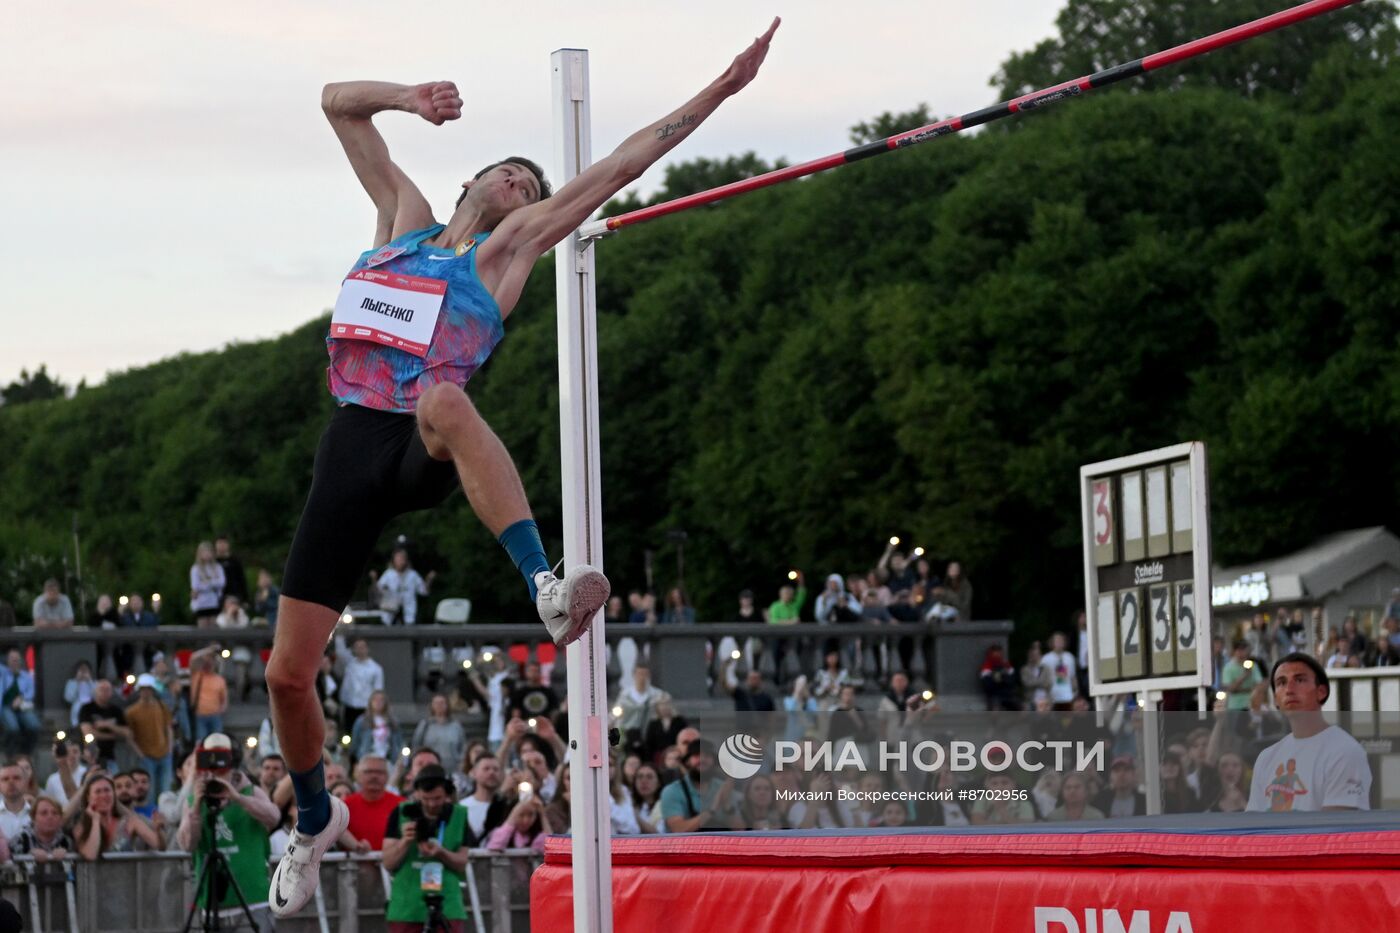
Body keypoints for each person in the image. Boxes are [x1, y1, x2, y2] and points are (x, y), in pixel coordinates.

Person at [266, 22, 779, 916]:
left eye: (531, 187)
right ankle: (314, 816)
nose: (523, 185)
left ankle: (543, 580)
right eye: (512, 173)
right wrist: (408, 98)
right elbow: (334, 106)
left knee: (447, 401)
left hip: (421, 441)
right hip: (350, 445)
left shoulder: (509, 252)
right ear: (471, 179)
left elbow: (616, 167)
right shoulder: (399, 220)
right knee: (285, 675)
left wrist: (719, 92)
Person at [176, 734, 280, 927]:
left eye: (222, 757)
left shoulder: (251, 791)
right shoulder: (193, 800)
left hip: (252, 899)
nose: (216, 766)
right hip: (212, 899)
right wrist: (197, 805)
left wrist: (237, 797)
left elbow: (273, 817)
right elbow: (187, 844)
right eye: (210, 757)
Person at [1247, 653, 1371, 812]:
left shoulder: (1345, 751)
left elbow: (1337, 828)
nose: (1289, 690)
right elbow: (1253, 826)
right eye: (1281, 683)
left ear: (1321, 692)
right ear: (1276, 700)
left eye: (1299, 680)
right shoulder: (1266, 758)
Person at [382, 764, 471, 932]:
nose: (431, 804)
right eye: (426, 799)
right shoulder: (401, 812)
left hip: (447, 904)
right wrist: (405, 841)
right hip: (407, 906)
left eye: (437, 798)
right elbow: (388, 862)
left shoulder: (459, 814)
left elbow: (462, 863)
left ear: (447, 793)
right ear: (416, 793)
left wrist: (441, 852)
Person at [68, 771, 163, 858]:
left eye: (107, 790)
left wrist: (158, 830)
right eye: (98, 791)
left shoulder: (130, 822)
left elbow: (159, 846)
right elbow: (90, 855)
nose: (104, 795)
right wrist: (95, 820)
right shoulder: (81, 827)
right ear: (88, 797)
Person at [125, 674, 176, 795]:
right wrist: (141, 755)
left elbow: (168, 728)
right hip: (146, 757)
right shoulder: (131, 712)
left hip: (164, 754)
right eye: (143, 689)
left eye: (148, 689)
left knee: (166, 790)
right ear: (139, 691)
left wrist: (170, 749)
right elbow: (129, 736)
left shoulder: (161, 706)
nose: (146, 692)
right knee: (149, 792)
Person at [343, 755, 403, 851]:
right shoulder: (344, 807)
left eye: (380, 772)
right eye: (368, 772)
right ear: (358, 776)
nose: (374, 776)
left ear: (387, 776)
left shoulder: (401, 805)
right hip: (353, 864)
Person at [372, 546, 435, 625]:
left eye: (402, 558)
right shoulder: (389, 574)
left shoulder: (412, 575)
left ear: (406, 560)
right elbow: (378, 590)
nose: (400, 561)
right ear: (393, 560)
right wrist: (374, 579)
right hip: (390, 614)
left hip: (408, 615)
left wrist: (429, 579)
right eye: (398, 558)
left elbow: (424, 592)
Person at [78, 679, 130, 769]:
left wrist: (108, 725)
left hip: (110, 757)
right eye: (102, 689)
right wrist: (113, 736)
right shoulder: (86, 708)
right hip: (90, 757)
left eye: (107, 689)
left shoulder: (116, 710)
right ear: (95, 691)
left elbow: (127, 732)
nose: (105, 692)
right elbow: (88, 733)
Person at [0, 649, 40, 755]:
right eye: (12, 660)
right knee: (13, 728)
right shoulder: (3, 673)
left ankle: (27, 752)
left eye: (17, 660)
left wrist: (21, 698)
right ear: (7, 661)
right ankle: (9, 752)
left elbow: (31, 692)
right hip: (6, 706)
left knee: (34, 726)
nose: (15, 663)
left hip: (22, 706)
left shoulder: (26, 676)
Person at [11, 796, 73, 863]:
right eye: (44, 813)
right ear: (33, 818)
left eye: (55, 813)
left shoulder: (67, 842)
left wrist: (66, 853)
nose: (50, 817)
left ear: (60, 818)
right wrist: (29, 853)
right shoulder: (20, 840)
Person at [412, 694, 467, 769]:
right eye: (436, 703)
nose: (439, 706)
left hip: (452, 767)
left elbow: (463, 746)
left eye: (442, 703)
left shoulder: (456, 726)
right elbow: (416, 744)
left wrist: (462, 762)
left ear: (447, 705)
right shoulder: (425, 725)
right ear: (432, 705)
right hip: (430, 767)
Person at [190, 541, 227, 627]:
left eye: (208, 552)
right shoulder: (195, 569)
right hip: (201, 603)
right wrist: (211, 583)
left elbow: (221, 582)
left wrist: (208, 583)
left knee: (213, 627)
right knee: (203, 627)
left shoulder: (217, 567)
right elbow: (196, 586)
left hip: (214, 602)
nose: (207, 554)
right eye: (204, 552)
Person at [0, 763, 31, 843]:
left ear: (26, 783)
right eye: (5, 779)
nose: (11, 782)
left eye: (16, 778)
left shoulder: (38, 814)